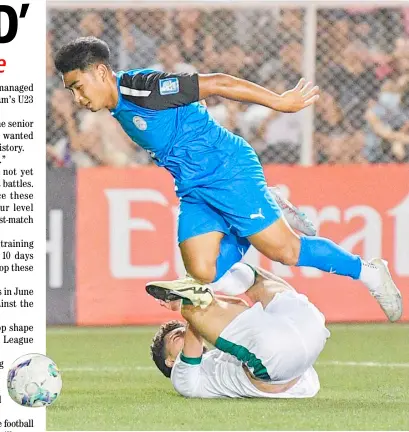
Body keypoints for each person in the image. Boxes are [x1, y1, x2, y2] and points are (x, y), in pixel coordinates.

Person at [54, 36, 402, 322]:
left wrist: (279, 102)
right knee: (202, 272)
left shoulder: (146, 88)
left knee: (286, 251)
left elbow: (219, 82)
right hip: (193, 187)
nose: (78, 98)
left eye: (78, 86)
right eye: (71, 91)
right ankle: (266, 205)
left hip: (227, 170)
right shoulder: (118, 104)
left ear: (100, 72)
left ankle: (369, 272)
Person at [148, 266, 330, 398]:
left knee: (256, 279)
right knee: (191, 308)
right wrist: (182, 305)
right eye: (177, 336)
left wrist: (206, 296)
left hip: (307, 336)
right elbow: (194, 327)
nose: (185, 333)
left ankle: (219, 263)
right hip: (284, 364)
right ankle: (207, 264)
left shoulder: (221, 353)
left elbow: (241, 307)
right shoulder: (182, 380)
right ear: (170, 361)